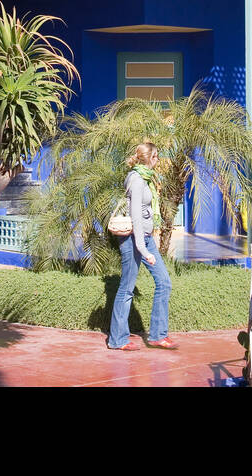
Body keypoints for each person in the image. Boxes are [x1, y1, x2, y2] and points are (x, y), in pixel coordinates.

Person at [108, 141, 176, 351]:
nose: (158, 160)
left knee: (164, 282)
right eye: (157, 156)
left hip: (145, 237)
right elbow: (136, 216)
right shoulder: (137, 180)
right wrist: (144, 249)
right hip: (133, 239)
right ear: (152, 157)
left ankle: (157, 335)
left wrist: (148, 242)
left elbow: (145, 215)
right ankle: (117, 340)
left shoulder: (146, 178)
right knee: (127, 288)